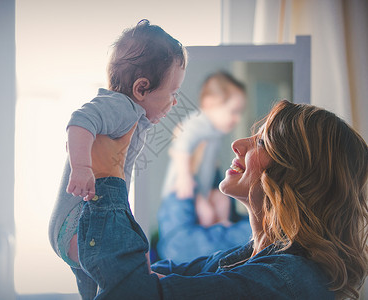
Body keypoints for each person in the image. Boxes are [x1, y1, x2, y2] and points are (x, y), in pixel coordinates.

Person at [75, 100, 368, 299]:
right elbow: (145, 279)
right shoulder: (247, 257)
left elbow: (134, 292)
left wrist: (108, 177)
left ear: (297, 174)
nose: (238, 143)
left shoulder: (283, 283)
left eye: (263, 141)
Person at [48, 19, 187, 299]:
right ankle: (143, 279)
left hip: (74, 228)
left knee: (100, 289)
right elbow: (79, 121)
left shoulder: (127, 112)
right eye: (172, 94)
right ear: (141, 89)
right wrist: (82, 168)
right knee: (131, 251)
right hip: (80, 221)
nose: (174, 103)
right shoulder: (120, 106)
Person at [157, 72, 251, 263]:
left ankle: (220, 227)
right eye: (233, 111)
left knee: (220, 202)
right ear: (210, 103)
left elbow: (209, 166)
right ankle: (219, 229)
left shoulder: (214, 132)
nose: (237, 119)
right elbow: (180, 146)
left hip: (199, 188)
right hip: (182, 191)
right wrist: (184, 178)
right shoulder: (198, 122)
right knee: (205, 216)